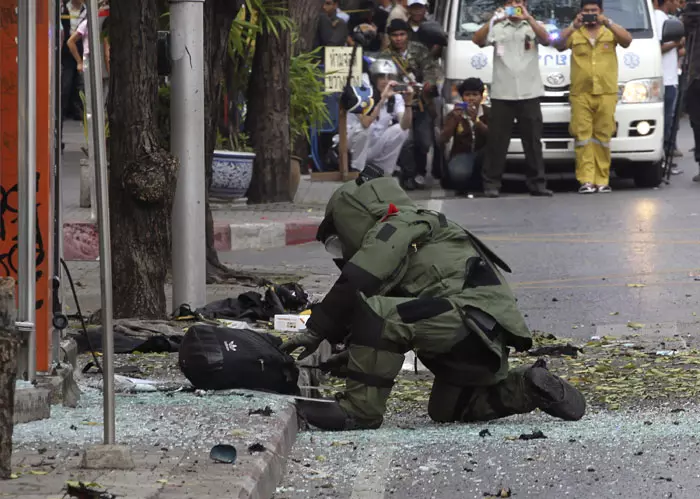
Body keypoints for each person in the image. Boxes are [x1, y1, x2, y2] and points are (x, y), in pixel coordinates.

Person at [282, 175, 585, 431]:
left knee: (375, 313)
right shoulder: (428, 228)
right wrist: (353, 355)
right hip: (483, 339)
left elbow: (361, 279)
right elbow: (402, 316)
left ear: (353, 215)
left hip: (463, 321)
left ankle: (358, 411)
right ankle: (527, 386)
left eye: (338, 240)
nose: (341, 251)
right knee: (448, 410)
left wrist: (317, 328)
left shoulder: (397, 224)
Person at [472, 0, 553, 198]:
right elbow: (477, 40)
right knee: (497, 141)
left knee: (533, 141)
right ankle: (491, 183)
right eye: (511, 2)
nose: (515, 6)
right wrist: (493, 19)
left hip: (529, 92)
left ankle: (537, 183)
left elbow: (547, 40)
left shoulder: (533, 25)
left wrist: (529, 18)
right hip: (502, 92)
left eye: (519, 2)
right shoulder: (497, 26)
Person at [555, 0, 632, 193]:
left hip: (606, 92)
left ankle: (602, 179)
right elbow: (557, 44)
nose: (590, 14)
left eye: (594, 11)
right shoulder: (576, 33)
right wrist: (574, 25)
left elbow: (627, 40)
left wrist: (608, 22)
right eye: (587, 11)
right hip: (581, 93)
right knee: (582, 137)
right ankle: (586, 180)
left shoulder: (609, 31)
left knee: (603, 137)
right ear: (581, 12)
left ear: (601, 12)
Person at [379, 18, 443, 190]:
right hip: (400, 102)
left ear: (407, 35)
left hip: (422, 102)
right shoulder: (385, 56)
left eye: (402, 34)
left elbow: (431, 68)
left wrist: (429, 83)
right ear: (390, 37)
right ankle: (409, 175)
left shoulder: (419, 49)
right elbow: (385, 79)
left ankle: (420, 172)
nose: (398, 39)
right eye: (395, 35)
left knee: (424, 141)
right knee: (406, 141)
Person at [347, 59, 414, 175]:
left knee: (401, 130)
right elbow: (366, 122)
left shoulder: (394, 96)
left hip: (374, 146)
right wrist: (382, 99)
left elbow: (405, 125)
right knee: (367, 128)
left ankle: (383, 171)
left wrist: (408, 103)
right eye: (382, 77)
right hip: (352, 147)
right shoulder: (362, 94)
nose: (386, 81)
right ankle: (356, 170)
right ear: (374, 79)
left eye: (389, 77)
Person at [438, 78, 490, 194]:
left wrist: (476, 121)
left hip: (482, 153)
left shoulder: (488, 113)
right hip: (462, 153)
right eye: (467, 95)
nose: (471, 98)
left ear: (481, 97)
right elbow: (443, 139)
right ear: (462, 97)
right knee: (459, 175)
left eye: (475, 95)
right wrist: (455, 120)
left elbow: (492, 136)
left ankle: (482, 181)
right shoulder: (455, 113)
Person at [656, 0, 685, 173]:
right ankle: (662, 161)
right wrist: (677, 43)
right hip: (665, 80)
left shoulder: (666, 17)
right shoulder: (660, 18)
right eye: (675, 0)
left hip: (671, 77)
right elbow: (658, 47)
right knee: (665, 124)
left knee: (668, 122)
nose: (678, 4)